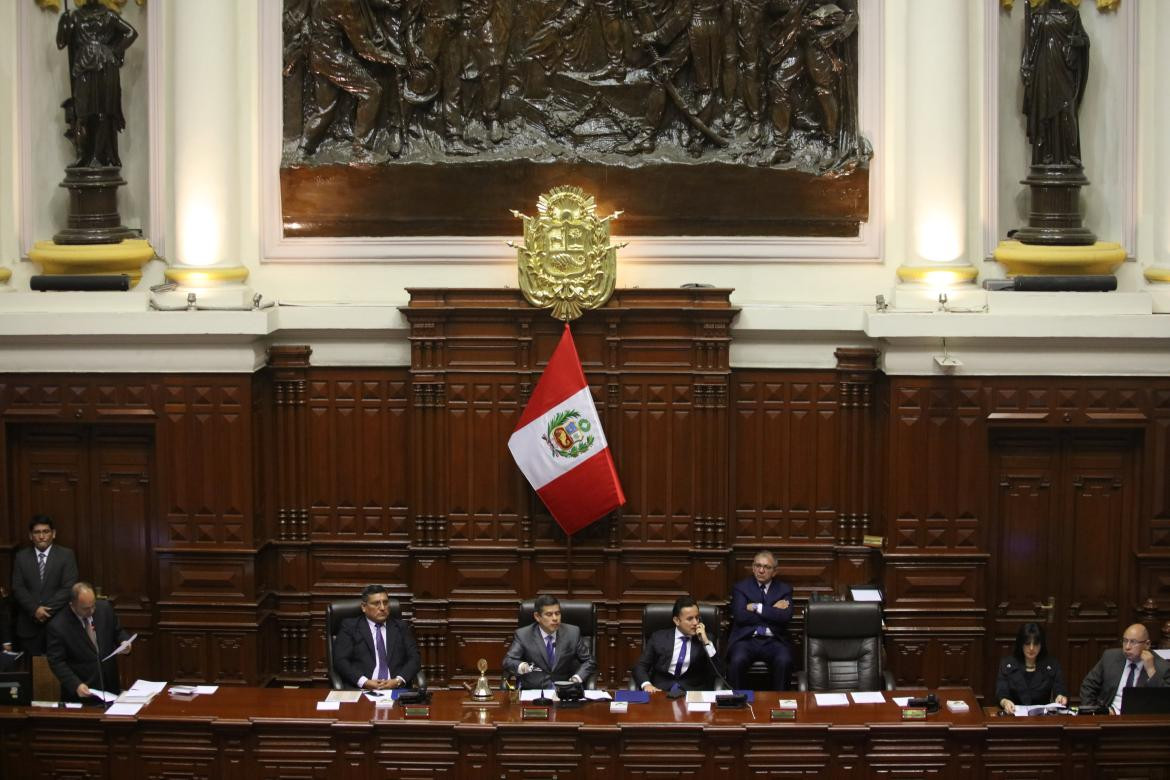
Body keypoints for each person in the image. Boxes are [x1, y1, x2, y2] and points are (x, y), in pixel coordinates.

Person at [55, 0, 139, 168]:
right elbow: (61, 43)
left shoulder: (108, 15)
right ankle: (84, 156)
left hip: (105, 67)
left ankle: (98, 156)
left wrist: (113, 51)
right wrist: (63, 23)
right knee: (83, 113)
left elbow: (131, 33)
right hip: (84, 67)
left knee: (103, 111)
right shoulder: (75, 17)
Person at [1021, 0, 1090, 167]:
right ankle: (1045, 154)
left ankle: (1071, 155)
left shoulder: (1072, 14)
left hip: (1065, 70)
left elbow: (1085, 41)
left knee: (1068, 110)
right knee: (1044, 111)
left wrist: (1077, 42)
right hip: (1044, 70)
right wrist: (1025, 66)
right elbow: (1030, 46)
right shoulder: (1038, 15)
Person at [46, 582, 130, 703]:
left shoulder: (104, 608)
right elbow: (56, 661)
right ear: (72, 605)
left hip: (110, 687)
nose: (91, 611)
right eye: (86, 608)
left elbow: (117, 631)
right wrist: (76, 684)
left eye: (93, 605)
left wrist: (124, 642)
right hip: (83, 692)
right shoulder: (58, 626)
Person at [331, 584, 421, 690]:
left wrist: (398, 680)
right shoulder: (350, 627)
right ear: (364, 607)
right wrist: (364, 682)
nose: (382, 608)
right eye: (376, 603)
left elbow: (415, 658)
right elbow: (341, 661)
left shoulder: (401, 627)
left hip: (395, 688)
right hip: (362, 689)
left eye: (386, 603)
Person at [11, 516, 79, 655]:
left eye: (46, 531)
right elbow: (18, 587)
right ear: (31, 536)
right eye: (37, 532)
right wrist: (35, 609)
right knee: (32, 673)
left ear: (53, 533)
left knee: (58, 672)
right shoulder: (21, 557)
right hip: (29, 627)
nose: (42, 536)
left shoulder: (66, 555)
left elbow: (68, 587)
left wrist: (45, 611)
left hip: (58, 624)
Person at [726, 550, 792, 690]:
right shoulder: (740, 587)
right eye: (758, 565)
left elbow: (784, 617)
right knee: (737, 661)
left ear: (774, 571)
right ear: (753, 567)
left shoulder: (784, 589)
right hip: (747, 639)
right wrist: (772, 610)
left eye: (767, 567)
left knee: (784, 660)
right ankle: (737, 704)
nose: (761, 570)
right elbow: (741, 616)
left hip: (774, 640)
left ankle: (780, 703)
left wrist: (757, 607)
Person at [503, 595, 596, 689]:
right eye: (549, 614)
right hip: (534, 692)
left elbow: (589, 661)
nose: (555, 618)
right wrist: (521, 666)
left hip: (564, 691)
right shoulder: (524, 635)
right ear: (537, 616)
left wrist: (577, 678)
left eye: (557, 613)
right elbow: (508, 661)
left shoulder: (572, 633)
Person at [634, 596, 723, 692]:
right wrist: (647, 685)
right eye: (690, 619)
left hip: (692, 692)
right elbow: (641, 666)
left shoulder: (707, 639)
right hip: (660, 691)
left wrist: (705, 642)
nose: (695, 623)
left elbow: (718, 672)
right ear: (676, 620)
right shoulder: (658, 638)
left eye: (697, 618)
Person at [1079, 623, 1170, 713]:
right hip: (1108, 717)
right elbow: (1088, 685)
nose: (1127, 647)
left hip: (1140, 721)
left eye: (1133, 642)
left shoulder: (1162, 667)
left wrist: (1151, 671)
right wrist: (1094, 712)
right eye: (1125, 641)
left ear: (1147, 644)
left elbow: (1165, 701)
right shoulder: (1110, 657)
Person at [995, 622, 1068, 714]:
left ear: (1042, 644)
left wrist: (1060, 697)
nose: (1031, 648)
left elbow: (1060, 688)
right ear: (1021, 644)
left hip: (1042, 718)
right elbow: (1001, 693)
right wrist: (1005, 702)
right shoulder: (1007, 663)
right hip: (1013, 715)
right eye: (1027, 643)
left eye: (1036, 644)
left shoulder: (1052, 664)